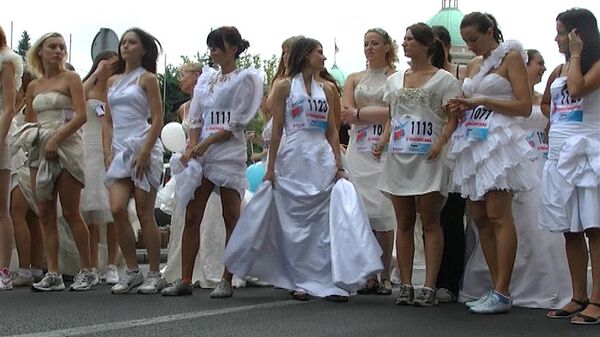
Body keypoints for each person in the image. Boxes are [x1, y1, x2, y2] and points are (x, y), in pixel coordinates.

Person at [223, 37, 383, 302]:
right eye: (318, 52)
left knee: (323, 221)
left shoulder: (329, 89)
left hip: (320, 156)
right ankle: (299, 278)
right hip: (293, 156)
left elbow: (332, 129)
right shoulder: (285, 87)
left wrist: (338, 163)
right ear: (306, 55)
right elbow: (276, 131)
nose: (322, 56)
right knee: (294, 221)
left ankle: (329, 278)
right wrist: (271, 167)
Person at [460, 49, 572, 309]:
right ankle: (498, 285)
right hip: (500, 158)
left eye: (544, 64)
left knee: (526, 225)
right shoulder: (501, 96)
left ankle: (514, 287)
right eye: (538, 63)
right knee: (486, 219)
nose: (541, 69)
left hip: (529, 164)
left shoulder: (540, 100)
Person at [161, 26, 263, 297]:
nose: (213, 50)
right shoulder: (207, 79)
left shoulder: (245, 79)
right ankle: (184, 278)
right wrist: (193, 143)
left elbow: (236, 122)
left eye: (218, 45)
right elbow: (195, 116)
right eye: (211, 46)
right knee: (192, 215)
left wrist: (204, 144)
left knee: (231, 215)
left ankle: (226, 279)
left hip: (227, 153)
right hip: (203, 155)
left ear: (234, 48)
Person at [446, 12, 535, 314]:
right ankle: (496, 287)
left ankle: (502, 290)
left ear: (490, 31)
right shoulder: (473, 65)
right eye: (466, 41)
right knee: (479, 217)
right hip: (473, 139)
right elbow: (468, 98)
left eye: (474, 39)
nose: (470, 46)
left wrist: (481, 101)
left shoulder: (511, 57)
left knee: (498, 214)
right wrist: (460, 105)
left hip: (498, 141)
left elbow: (523, 106)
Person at [373, 23, 461, 307]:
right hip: (399, 156)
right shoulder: (395, 80)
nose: (405, 43)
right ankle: (407, 283)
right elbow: (392, 116)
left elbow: (452, 117)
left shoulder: (444, 80)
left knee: (431, 220)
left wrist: (441, 140)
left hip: (428, 157)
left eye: (410, 39)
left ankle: (429, 285)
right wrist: (383, 140)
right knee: (404, 221)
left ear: (425, 45)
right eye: (405, 38)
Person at [21, 32, 97, 291]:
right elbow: (30, 119)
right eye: (52, 46)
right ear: (40, 52)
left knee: (70, 211)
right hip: (39, 146)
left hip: (66, 144)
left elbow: (81, 115)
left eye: (61, 47)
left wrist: (56, 140)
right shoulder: (33, 86)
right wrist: (35, 141)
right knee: (44, 213)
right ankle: (52, 272)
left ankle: (87, 270)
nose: (58, 51)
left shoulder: (72, 78)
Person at [541, 8, 600, 325]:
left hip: (589, 153)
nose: (556, 38)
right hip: (560, 153)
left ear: (578, 34)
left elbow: (578, 89)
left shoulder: (590, 64)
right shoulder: (559, 68)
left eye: (562, 32)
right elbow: (547, 104)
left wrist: (576, 55)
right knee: (570, 230)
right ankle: (577, 295)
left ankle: (597, 299)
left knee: (594, 229)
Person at [104, 28, 166, 294]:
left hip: (143, 146)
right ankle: (131, 270)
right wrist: (107, 151)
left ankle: (153, 272)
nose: (125, 46)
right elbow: (107, 119)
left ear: (143, 49)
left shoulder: (148, 79)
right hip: (119, 150)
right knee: (117, 208)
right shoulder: (112, 81)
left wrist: (145, 151)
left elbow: (157, 118)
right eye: (123, 42)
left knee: (144, 211)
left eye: (132, 42)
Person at [340, 27, 397, 295]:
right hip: (358, 150)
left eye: (375, 43)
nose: (369, 48)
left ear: (387, 46)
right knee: (361, 213)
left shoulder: (397, 78)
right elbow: (345, 113)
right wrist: (374, 114)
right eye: (366, 44)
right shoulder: (354, 78)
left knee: (384, 212)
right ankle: (368, 272)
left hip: (384, 149)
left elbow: (395, 112)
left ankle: (385, 272)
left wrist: (361, 113)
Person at [431, 25, 467, 303]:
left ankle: (450, 281)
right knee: (430, 217)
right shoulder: (417, 77)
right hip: (427, 153)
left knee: (452, 217)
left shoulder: (459, 74)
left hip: (454, 149)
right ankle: (432, 278)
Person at [81, 51, 120, 284]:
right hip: (87, 148)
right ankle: (92, 264)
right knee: (91, 211)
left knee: (112, 210)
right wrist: (95, 74)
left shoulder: (116, 89)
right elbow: (76, 99)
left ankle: (112, 264)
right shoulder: (88, 86)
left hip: (111, 148)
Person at [9, 69, 45, 287]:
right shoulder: (19, 102)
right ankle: (36, 267)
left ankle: (25, 269)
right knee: (32, 217)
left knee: (18, 215)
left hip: (23, 161)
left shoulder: (29, 104)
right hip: (24, 160)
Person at [0, 25, 24, 290]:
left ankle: (3, 269)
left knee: (1, 208)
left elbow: (8, 108)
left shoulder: (5, 62)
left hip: (0, 131)